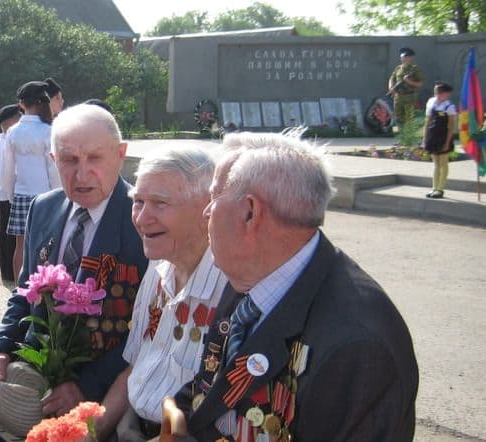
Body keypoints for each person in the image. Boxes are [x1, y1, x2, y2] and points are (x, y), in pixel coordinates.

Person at [172, 133, 418, 441]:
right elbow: (206, 395)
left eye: (214, 199)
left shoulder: (358, 347)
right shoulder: (250, 275)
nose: (206, 212)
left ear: (250, 213)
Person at [0, 104, 148, 440]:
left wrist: (86, 386)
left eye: (95, 158)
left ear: (121, 154)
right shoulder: (45, 207)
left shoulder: (143, 220)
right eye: (69, 160)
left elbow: (147, 334)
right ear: (53, 160)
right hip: (30, 383)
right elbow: (25, 293)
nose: (82, 174)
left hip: (102, 391)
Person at [108, 146, 228, 441]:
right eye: (138, 202)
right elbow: (134, 369)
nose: (142, 218)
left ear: (207, 208)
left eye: (160, 203)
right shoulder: (159, 266)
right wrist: (89, 431)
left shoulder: (232, 289)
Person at [3, 81, 59, 280]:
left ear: (22, 104)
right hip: (45, 195)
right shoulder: (47, 131)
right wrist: (58, 194)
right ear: (41, 102)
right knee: (47, 245)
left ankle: (20, 288)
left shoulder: (12, 131)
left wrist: (11, 195)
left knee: (20, 246)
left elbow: (7, 170)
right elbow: (53, 169)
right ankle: (43, 287)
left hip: (21, 194)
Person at [0, 104, 21, 283]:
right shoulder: (4, 144)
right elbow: (7, 174)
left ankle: (7, 272)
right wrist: (11, 196)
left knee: (5, 234)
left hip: (4, 193)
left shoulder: (0, 143)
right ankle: (9, 273)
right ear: (11, 122)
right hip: (8, 193)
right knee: (8, 236)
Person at [423, 82, 456, 199]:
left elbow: (451, 127)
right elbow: (427, 121)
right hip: (433, 136)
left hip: (443, 136)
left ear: (447, 94)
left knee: (443, 163)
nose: (437, 94)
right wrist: (425, 138)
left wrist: (447, 142)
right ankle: (434, 188)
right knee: (436, 164)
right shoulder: (431, 102)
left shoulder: (449, 106)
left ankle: (440, 189)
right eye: (436, 92)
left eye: (440, 92)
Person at [388, 47, 424, 132]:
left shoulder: (415, 69)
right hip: (398, 97)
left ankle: (410, 138)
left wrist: (409, 82)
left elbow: (420, 84)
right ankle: (399, 138)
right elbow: (392, 78)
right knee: (397, 118)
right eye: (402, 57)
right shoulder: (398, 68)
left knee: (410, 118)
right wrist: (390, 87)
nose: (403, 58)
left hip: (410, 96)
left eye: (406, 56)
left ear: (411, 58)